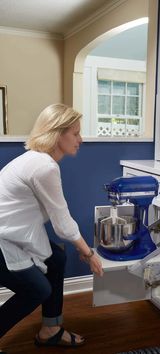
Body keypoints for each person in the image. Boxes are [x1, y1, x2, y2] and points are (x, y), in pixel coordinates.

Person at [0, 103, 103, 353]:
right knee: (37, 289)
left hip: (10, 235)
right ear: (58, 134)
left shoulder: (38, 161)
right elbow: (63, 222)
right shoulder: (44, 166)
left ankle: (51, 330)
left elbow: (60, 220)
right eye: (76, 133)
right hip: (2, 241)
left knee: (56, 258)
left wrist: (79, 247)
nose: (81, 139)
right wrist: (89, 253)